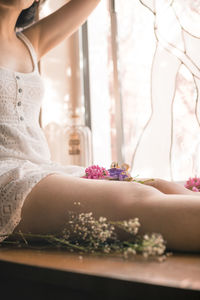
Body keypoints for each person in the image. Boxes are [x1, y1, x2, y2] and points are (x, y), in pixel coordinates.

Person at [0, 0, 199, 253]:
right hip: (7, 179)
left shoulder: (32, 42)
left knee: (158, 185)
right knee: (136, 201)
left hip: (44, 170)